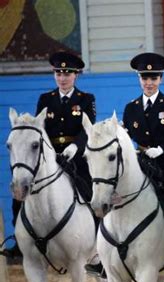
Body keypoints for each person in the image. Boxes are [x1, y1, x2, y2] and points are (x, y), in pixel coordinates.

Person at [91, 52, 164, 276]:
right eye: (145, 78)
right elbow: (125, 139)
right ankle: (105, 258)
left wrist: (161, 149)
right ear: (139, 79)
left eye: (153, 78)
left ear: (160, 79)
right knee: (111, 195)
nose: (149, 83)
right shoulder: (131, 107)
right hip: (141, 164)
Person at [1, 51, 96, 259]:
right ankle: (19, 241)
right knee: (20, 190)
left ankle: (96, 242)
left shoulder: (86, 99)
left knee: (90, 192)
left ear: (75, 75)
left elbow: (87, 130)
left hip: (75, 158)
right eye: (58, 74)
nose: (62, 78)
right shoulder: (45, 99)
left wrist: (75, 147)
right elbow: (39, 129)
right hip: (49, 158)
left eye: (67, 74)